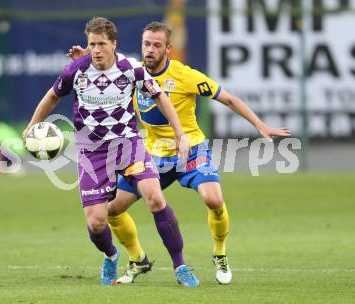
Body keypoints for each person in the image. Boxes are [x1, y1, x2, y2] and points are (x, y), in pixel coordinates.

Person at [68, 21, 291, 285]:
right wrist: (88, 60)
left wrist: (260, 125)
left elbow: (228, 98)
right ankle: (137, 258)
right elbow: (104, 70)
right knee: (113, 210)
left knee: (213, 200)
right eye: (146, 44)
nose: (150, 50)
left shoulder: (186, 76)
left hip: (190, 149)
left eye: (156, 45)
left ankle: (219, 253)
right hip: (152, 153)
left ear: (168, 49)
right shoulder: (132, 72)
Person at [24, 17, 200, 287]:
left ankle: (181, 267)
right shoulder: (76, 70)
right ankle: (111, 255)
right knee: (96, 223)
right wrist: (32, 126)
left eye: (101, 44)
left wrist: (179, 133)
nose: (95, 49)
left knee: (154, 198)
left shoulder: (132, 68)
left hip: (128, 145)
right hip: (93, 152)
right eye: (92, 44)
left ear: (114, 44)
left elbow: (160, 97)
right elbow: (52, 96)